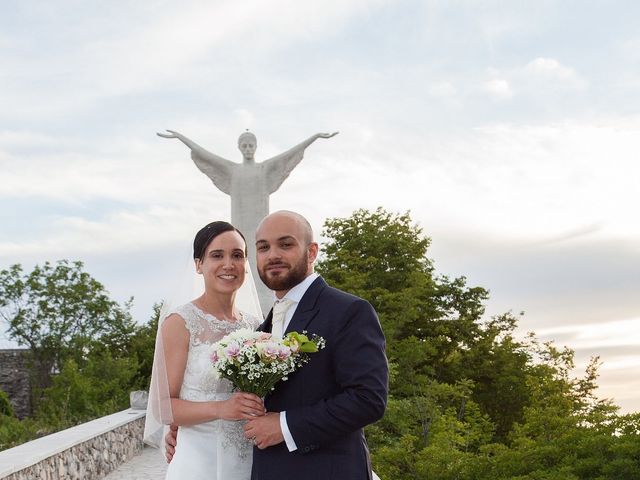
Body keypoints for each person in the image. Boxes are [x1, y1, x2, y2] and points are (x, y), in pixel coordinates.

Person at [166, 211, 389, 480]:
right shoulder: (263, 327)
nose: (273, 255)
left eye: (286, 244)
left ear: (312, 251)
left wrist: (283, 427)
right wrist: (186, 424)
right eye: (263, 247)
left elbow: (369, 399)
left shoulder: (349, 311)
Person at [157, 129, 338, 313]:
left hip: (260, 226)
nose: (248, 149)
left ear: (256, 147)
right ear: (239, 148)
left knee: (259, 257)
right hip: (239, 226)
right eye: (244, 146)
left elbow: (287, 155)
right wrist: (182, 138)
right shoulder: (233, 170)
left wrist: (313, 138)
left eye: (251, 145)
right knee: (241, 253)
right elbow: (207, 156)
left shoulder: (264, 169)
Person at [144, 221, 266, 479]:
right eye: (217, 255)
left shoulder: (256, 326)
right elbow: (162, 406)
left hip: (250, 459)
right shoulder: (181, 322)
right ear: (199, 264)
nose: (229, 264)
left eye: (237, 255)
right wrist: (220, 409)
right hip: (199, 461)